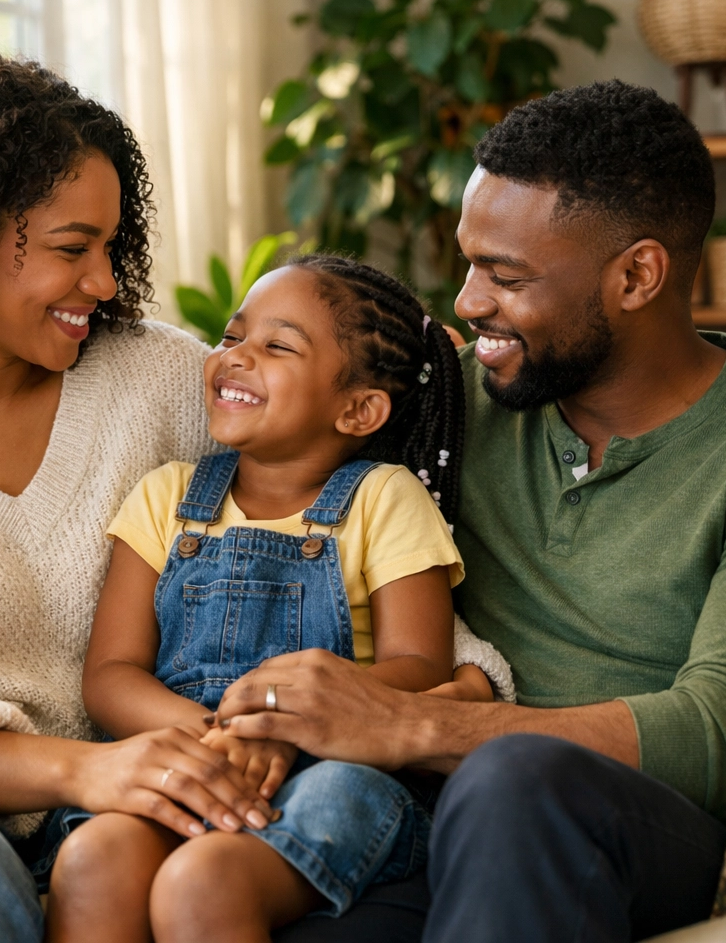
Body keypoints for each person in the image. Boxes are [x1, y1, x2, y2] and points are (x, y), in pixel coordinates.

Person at [211, 82, 726, 942]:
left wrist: (411, 723)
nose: (467, 303)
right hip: (433, 827)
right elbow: (265, 420)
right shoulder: (449, 407)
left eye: (505, 276)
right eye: (471, 263)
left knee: (518, 780)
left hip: (630, 830)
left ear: (637, 275)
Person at [0, 53, 280, 943]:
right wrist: (84, 772)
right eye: (72, 249)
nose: (105, 284)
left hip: (118, 823)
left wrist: (440, 682)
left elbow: (314, 522)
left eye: (112, 247)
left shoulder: (160, 381)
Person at [46, 255, 502, 942]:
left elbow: (420, 668)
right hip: (184, 753)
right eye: (232, 338)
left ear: (359, 408)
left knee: (203, 881)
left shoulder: (383, 499)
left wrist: (291, 728)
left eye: (276, 345)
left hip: (333, 772)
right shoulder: (165, 496)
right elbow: (110, 675)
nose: (236, 357)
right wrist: (213, 745)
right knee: (92, 859)